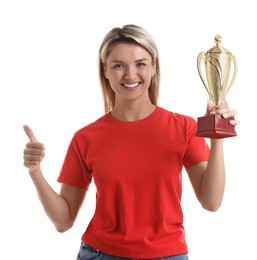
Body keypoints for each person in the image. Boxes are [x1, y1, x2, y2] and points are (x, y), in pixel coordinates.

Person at [23, 24, 239, 260]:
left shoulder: (185, 128)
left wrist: (217, 139)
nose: (130, 75)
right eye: (118, 66)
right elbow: (63, 221)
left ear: (154, 67)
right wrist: (35, 172)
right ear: (105, 70)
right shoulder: (86, 138)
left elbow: (212, 201)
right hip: (100, 254)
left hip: (168, 255)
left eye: (140, 64)